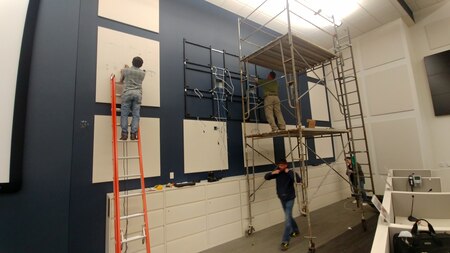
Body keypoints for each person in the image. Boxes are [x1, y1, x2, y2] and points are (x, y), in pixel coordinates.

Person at [265, 159, 301, 251]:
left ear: (286, 165)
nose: (280, 167)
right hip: (282, 198)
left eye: (282, 165)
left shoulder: (290, 172)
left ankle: (285, 241)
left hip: (290, 199)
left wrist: (289, 172)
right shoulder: (278, 173)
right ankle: (296, 231)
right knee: (289, 216)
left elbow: (298, 180)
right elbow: (266, 177)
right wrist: (273, 173)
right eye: (279, 165)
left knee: (287, 220)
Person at [120, 56, 146, 140]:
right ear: (141, 65)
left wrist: (126, 68)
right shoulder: (143, 73)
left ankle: (124, 134)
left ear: (132, 62)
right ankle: (133, 134)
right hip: (138, 94)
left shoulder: (125, 70)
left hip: (127, 93)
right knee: (136, 115)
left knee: (124, 114)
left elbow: (121, 80)